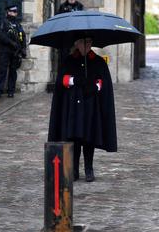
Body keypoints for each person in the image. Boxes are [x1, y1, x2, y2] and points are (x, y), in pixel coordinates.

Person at [48, 37, 117, 182]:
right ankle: (74, 169)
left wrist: (93, 86)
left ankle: (89, 168)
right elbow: (62, 81)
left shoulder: (98, 62)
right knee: (75, 137)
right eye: (83, 42)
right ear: (77, 44)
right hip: (73, 106)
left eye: (89, 42)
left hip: (90, 106)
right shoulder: (69, 61)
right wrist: (75, 81)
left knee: (89, 138)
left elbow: (102, 83)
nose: (86, 45)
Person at [0, 5, 27, 99]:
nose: (14, 13)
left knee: (13, 72)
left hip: (15, 52)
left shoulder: (18, 24)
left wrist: (23, 49)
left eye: (15, 12)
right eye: (12, 11)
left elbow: (23, 36)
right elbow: (0, 34)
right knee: (2, 71)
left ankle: (11, 91)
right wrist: (11, 43)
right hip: (5, 50)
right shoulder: (3, 22)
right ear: (8, 12)